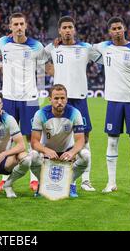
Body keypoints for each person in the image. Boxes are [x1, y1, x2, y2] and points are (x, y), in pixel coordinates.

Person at [92, 17, 130, 193]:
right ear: (109, 31)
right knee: (112, 142)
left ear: (124, 28)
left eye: (119, 27)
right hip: (113, 102)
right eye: (114, 28)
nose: (117, 31)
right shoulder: (104, 47)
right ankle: (111, 183)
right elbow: (83, 48)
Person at [45, 16, 101, 192]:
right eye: (64, 27)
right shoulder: (53, 48)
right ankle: (66, 180)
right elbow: (37, 57)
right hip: (61, 99)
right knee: (61, 138)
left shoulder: (85, 48)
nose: (68, 30)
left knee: (85, 138)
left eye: (70, 27)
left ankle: (85, 180)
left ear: (74, 30)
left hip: (79, 98)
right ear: (60, 31)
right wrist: (51, 70)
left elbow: (103, 58)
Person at [0, 12, 46, 192]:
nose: (18, 27)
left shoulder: (37, 46)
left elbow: (44, 67)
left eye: (21, 24)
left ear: (26, 25)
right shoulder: (2, 43)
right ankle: (4, 178)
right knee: (7, 138)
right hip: (8, 97)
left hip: (30, 98)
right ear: (10, 27)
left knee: (32, 139)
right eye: (15, 24)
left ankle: (34, 179)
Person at [30, 84, 89, 198]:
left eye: (62, 98)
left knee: (86, 155)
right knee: (32, 156)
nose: (59, 101)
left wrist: (72, 152)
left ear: (66, 99)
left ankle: (70, 183)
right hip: (46, 152)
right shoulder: (40, 114)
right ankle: (42, 183)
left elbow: (80, 140)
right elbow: (34, 142)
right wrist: (46, 150)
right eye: (56, 98)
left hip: (67, 151)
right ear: (50, 100)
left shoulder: (75, 113)